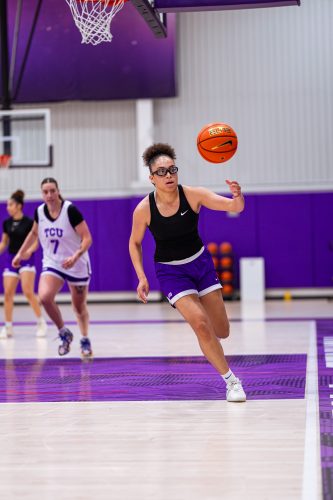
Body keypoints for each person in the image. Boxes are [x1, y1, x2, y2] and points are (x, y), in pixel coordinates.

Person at [129, 143, 246, 402]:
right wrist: (141, 276)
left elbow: (234, 208)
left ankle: (214, 346)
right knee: (201, 325)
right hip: (171, 272)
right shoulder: (144, 209)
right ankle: (232, 382)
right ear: (151, 178)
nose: (168, 175)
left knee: (222, 330)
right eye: (161, 172)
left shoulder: (193, 195)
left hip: (200, 264)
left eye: (172, 169)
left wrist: (237, 196)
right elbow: (134, 243)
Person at [12, 178, 93, 359]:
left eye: (52, 191)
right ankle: (64, 332)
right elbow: (34, 233)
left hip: (76, 263)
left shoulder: (70, 210)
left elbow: (87, 238)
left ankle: (85, 338)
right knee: (45, 297)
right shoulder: (39, 212)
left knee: (79, 307)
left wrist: (75, 256)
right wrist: (20, 253)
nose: (49, 195)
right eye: (45, 192)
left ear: (58, 191)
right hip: (53, 263)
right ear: (42, 194)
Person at [0, 190, 47, 339]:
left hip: (26, 259)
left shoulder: (28, 222)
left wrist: (28, 252)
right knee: (7, 294)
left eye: (11, 204)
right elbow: (4, 243)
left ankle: (41, 322)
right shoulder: (6, 223)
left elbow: (35, 243)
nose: (8, 207)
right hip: (11, 260)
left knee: (27, 291)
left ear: (19, 206)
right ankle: (7, 327)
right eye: (8, 204)